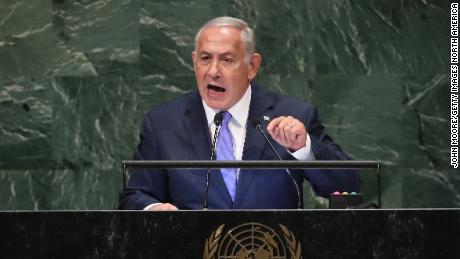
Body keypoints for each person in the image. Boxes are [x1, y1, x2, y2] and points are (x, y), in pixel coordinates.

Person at [119, 16, 360, 210]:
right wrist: (153, 209)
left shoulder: (293, 115)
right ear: (194, 62)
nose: (213, 71)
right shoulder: (163, 123)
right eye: (205, 59)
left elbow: (349, 186)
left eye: (226, 60)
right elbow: (134, 196)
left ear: (252, 66)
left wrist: (304, 148)